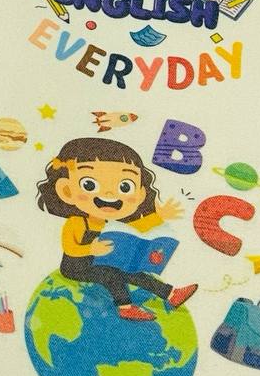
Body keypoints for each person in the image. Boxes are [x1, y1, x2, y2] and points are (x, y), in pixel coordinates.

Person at [36, 137, 197, 321]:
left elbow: (138, 227)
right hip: (76, 267)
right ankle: (125, 307)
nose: (109, 194)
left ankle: (171, 294)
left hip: (101, 261)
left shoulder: (110, 222)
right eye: (89, 184)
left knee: (132, 271)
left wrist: (160, 215)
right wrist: (90, 249)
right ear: (66, 190)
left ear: (140, 194)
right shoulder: (77, 222)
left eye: (125, 187)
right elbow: (69, 248)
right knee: (111, 274)